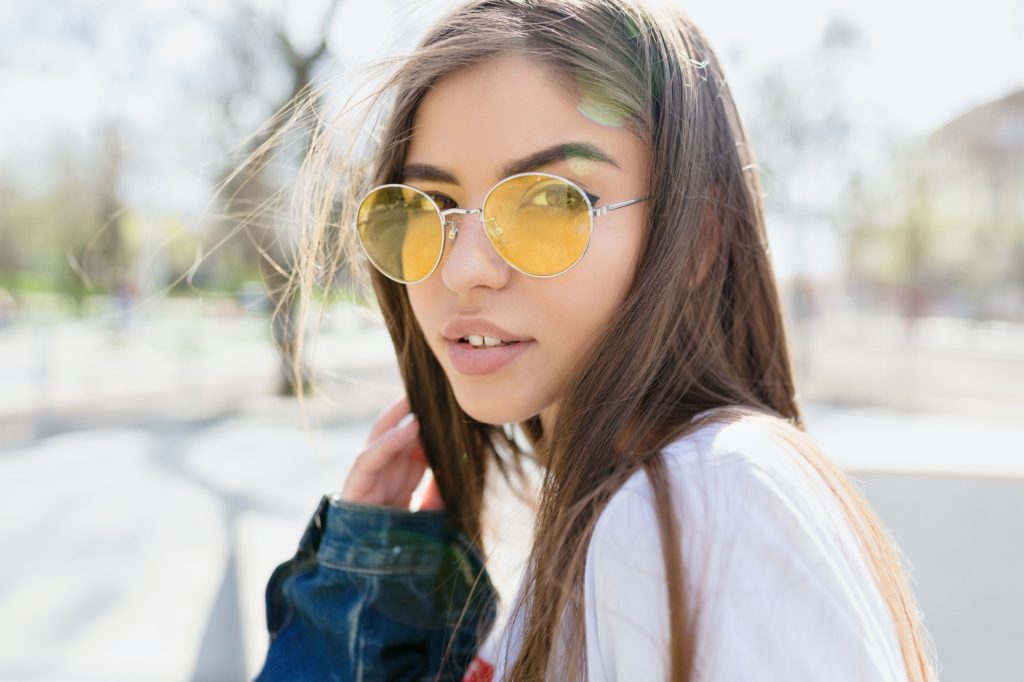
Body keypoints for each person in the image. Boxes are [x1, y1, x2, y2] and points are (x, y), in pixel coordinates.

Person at [251, 0, 938, 680]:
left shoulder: (705, 498)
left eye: (550, 201)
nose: (461, 268)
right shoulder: (615, 515)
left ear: (696, 237)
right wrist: (366, 605)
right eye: (429, 206)